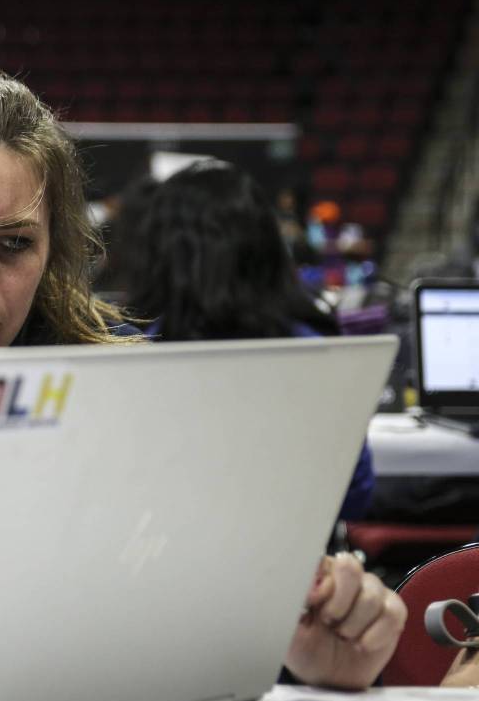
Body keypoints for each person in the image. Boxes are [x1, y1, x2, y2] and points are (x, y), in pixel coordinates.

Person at [0, 63, 405, 691]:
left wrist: (300, 658)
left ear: (51, 248)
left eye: (14, 244)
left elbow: (191, 634)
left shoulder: (133, 399)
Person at [123, 160, 375, 521]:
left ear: (163, 254)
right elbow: (355, 495)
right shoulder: (318, 353)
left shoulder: (137, 357)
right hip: (298, 565)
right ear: (267, 247)